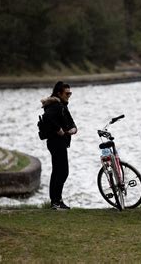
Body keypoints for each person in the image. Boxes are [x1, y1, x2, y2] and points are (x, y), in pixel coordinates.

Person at [41, 81, 77, 210]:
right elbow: (47, 118)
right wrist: (58, 129)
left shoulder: (62, 105)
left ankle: (57, 200)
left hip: (60, 142)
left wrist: (74, 129)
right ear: (59, 93)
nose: (69, 95)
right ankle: (55, 201)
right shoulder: (55, 105)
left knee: (59, 171)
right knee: (61, 171)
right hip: (56, 142)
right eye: (67, 93)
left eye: (70, 93)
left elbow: (71, 121)